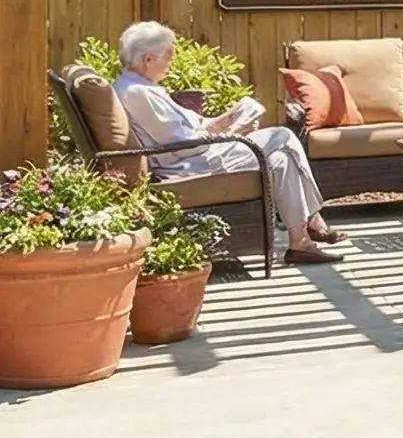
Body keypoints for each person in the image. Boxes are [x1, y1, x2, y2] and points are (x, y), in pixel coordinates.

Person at [111, 20, 347, 266]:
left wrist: (221, 123)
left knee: (280, 159)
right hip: (188, 164)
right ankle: (314, 221)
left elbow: (187, 128)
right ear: (148, 59)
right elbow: (186, 143)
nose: (171, 62)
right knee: (284, 136)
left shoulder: (139, 86)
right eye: (168, 56)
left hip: (193, 155)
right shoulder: (138, 93)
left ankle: (300, 243)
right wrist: (232, 131)